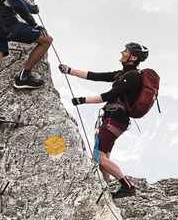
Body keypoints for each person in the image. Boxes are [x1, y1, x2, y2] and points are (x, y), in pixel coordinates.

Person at [59, 43, 149, 199]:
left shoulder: (132, 77)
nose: (122, 52)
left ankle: (128, 186)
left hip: (115, 119)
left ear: (133, 57)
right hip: (115, 119)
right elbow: (97, 76)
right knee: (103, 156)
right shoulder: (123, 74)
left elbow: (110, 94)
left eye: (126, 51)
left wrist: (83, 100)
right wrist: (69, 71)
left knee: (99, 157)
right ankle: (105, 188)